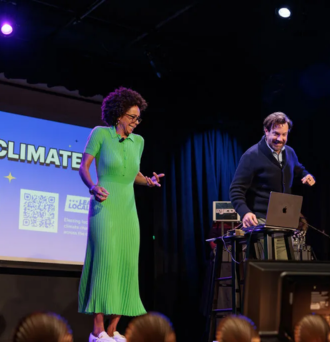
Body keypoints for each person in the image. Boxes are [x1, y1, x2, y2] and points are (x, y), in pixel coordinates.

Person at [78, 87, 165, 342]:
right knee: (105, 263)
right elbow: (84, 166)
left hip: (129, 211)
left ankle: (113, 329)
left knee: (126, 265)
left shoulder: (139, 142)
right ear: (118, 115)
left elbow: (130, 175)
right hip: (104, 206)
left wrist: (147, 181)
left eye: (138, 118)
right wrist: (93, 187)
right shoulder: (100, 134)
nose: (135, 123)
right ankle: (97, 331)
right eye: (131, 117)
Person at [229, 112, 315, 259]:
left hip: (285, 219)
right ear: (266, 131)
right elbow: (236, 190)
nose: (280, 139)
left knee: (286, 265)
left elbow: (298, 168)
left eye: (284, 134)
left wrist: (306, 175)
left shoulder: (290, 152)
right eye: (276, 134)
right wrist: (245, 212)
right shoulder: (251, 156)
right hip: (261, 220)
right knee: (274, 265)